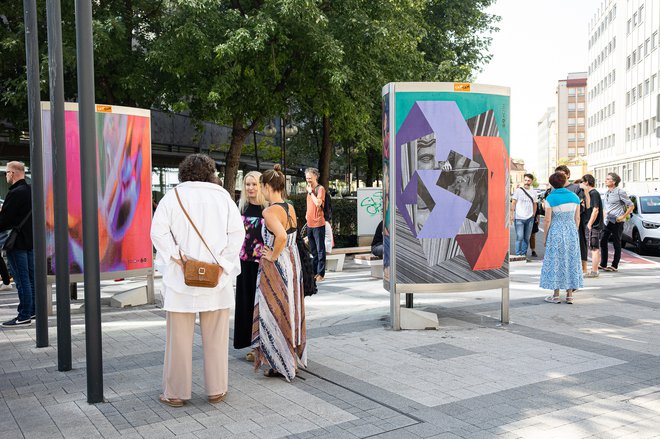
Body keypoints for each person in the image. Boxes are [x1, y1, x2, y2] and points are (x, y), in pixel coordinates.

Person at [151, 154, 245, 407]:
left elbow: (157, 232)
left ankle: (176, 393)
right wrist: (223, 264)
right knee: (216, 336)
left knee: (178, 339)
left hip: (182, 277)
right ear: (211, 173)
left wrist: (176, 257)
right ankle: (216, 389)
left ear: (183, 173)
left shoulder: (173, 197)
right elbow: (237, 233)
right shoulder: (222, 197)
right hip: (216, 278)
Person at [253, 164, 307, 381]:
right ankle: (288, 356)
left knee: (274, 308)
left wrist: (273, 256)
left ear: (267, 186)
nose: (260, 191)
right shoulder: (290, 207)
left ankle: (279, 360)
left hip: (277, 265)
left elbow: (282, 237)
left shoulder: (269, 211)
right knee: (289, 306)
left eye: (260, 186)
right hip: (293, 264)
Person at [234, 171, 267, 362]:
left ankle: (264, 345)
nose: (251, 188)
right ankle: (253, 346)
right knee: (246, 305)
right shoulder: (241, 207)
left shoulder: (268, 207)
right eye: (247, 184)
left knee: (261, 306)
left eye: (254, 184)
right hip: (244, 264)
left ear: (261, 186)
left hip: (263, 264)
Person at [540, 172, 583, 304]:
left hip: (556, 231)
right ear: (565, 181)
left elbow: (547, 220)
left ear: (552, 183)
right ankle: (570, 295)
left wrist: (545, 237)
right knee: (571, 260)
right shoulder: (575, 197)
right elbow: (577, 218)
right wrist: (573, 232)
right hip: (571, 231)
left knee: (556, 261)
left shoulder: (550, 198)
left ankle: (556, 295)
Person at [0, 161, 34, 327]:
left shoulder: (15, 193)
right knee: (31, 279)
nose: (6, 175)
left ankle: (24, 316)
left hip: (17, 243)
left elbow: (5, 221)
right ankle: (33, 311)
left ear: (12, 173)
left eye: (6, 172)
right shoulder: (31, 190)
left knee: (22, 281)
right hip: (31, 241)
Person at [599, 172, 634, 272]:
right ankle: (603, 263)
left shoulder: (620, 192)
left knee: (616, 243)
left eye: (608, 179)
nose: (605, 180)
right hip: (608, 220)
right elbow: (606, 207)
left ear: (613, 182)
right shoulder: (607, 193)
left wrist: (623, 216)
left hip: (617, 221)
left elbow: (631, 205)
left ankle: (614, 265)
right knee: (603, 241)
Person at [305, 168, 326, 282]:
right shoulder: (309, 189)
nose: (308, 180)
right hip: (310, 224)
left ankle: (321, 273)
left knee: (320, 250)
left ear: (315, 177)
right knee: (313, 250)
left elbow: (318, 203)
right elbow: (310, 204)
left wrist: (310, 192)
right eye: (307, 177)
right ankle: (314, 272)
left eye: (310, 177)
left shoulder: (320, 189)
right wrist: (306, 214)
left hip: (318, 223)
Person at [581, 174, 604, 278]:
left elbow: (595, 209)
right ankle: (593, 270)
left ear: (586, 182)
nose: (581, 184)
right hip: (591, 224)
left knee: (594, 248)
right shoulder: (589, 193)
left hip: (594, 225)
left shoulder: (594, 193)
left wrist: (589, 224)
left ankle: (594, 271)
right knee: (592, 247)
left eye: (582, 182)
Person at [510, 173, 537, 257]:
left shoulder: (534, 192)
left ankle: (523, 255)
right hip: (519, 218)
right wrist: (512, 214)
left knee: (526, 238)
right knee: (519, 237)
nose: (526, 182)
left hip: (529, 218)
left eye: (528, 180)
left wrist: (533, 214)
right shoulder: (518, 191)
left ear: (531, 181)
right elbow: (513, 203)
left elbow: (535, 204)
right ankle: (518, 255)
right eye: (525, 180)